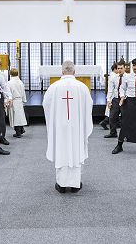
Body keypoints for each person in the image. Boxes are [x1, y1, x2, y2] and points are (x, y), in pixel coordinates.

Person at [43, 61, 93, 193]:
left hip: (60, 127)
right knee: (75, 151)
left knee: (62, 151)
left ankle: (62, 185)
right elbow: (89, 105)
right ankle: (75, 184)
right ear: (74, 72)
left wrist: (55, 117)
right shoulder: (82, 87)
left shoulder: (54, 87)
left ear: (62, 71)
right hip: (76, 127)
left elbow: (45, 104)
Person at [105, 61, 126, 139]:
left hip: (125, 100)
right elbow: (110, 90)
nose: (119, 70)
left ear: (125, 68)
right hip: (116, 99)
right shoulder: (113, 78)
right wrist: (108, 100)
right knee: (112, 117)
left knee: (125, 118)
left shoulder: (128, 77)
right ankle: (113, 133)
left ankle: (125, 134)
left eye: (121, 68)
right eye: (118, 68)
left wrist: (124, 98)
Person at [6, 68, 27, 138]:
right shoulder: (20, 82)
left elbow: (8, 93)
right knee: (19, 116)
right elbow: (23, 92)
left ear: (10, 74)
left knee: (14, 117)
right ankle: (21, 129)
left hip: (13, 100)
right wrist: (24, 100)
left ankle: (18, 132)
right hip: (19, 100)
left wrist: (7, 100)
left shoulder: (9, 83)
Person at [99, 63, 117, 130]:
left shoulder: (112, 75)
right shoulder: (114, 76)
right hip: (113, 95)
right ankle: (104, 122)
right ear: (115, 69)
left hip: (114, 95)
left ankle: (105, 122)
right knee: (113, 112)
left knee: (113, 112)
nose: (119, 70)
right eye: (118, 68)